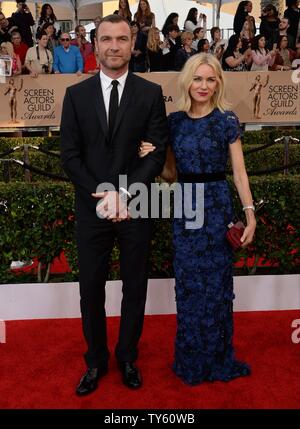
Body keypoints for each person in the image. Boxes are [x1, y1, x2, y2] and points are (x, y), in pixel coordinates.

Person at [60, 14, 168, 395]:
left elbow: (156, 154)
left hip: (136, 206)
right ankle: (96, 361)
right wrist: (104, 193)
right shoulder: (76, 96)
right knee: (90, 288)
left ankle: (127, 356)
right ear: (96, 43)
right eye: (106, 39)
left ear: (132, 42)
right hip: (93, 208)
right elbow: (69, 156)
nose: (114, 46)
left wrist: (124, 193)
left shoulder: (150, 93)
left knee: (134, 286)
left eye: (122, 39)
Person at [139, 52, 256, 386]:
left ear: (218, 82)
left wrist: (249, 214)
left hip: (218, 206)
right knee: (190, 287)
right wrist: (154, 157)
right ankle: (191, 357)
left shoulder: (226, 120)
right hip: (186, 207)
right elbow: (172, 175)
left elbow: (239, 173)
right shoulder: (173, 122)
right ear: (187, 81)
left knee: (217, 286)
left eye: (210, 79)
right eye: (198, 78)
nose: (203, 85)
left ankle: (219, 357)